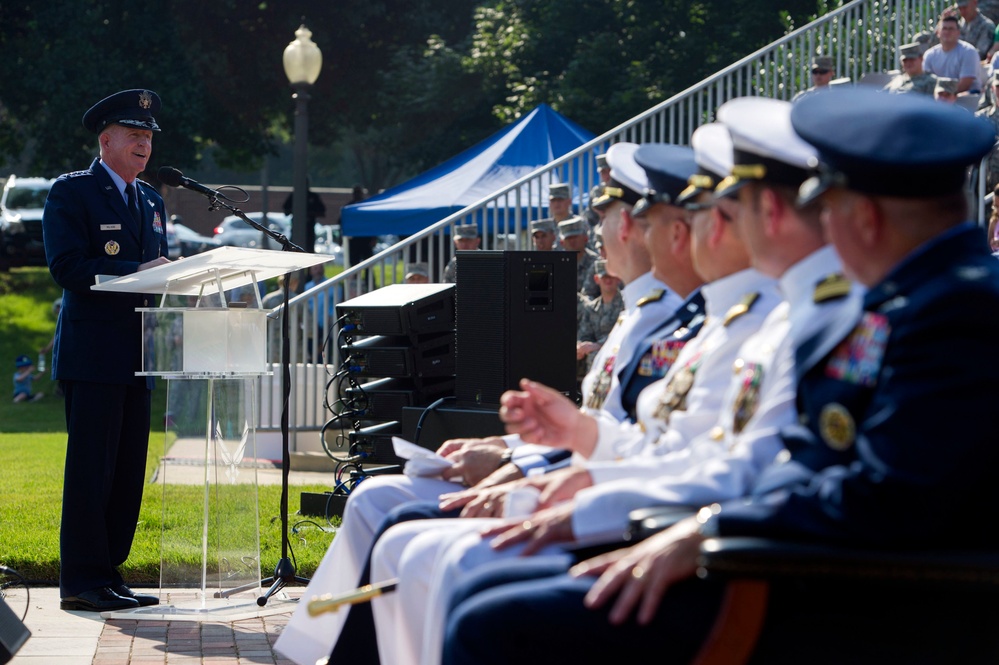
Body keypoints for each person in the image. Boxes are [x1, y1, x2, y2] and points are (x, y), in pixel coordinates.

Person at [442, 87, 999, 665]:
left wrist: (709, 530)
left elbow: (888, 497)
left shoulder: (958, 311)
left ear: (866, 216)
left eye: (827, 206)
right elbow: (812, 462)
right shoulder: (919, 299)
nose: (824, 226)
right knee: (489, 600)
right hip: (799, 564)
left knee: (496, 625)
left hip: (863, 601)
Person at [273, 141, 702, 665]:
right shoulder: (647, 316)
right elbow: (613, 432)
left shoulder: (681, 324)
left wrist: (523, 467)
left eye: (619, 216)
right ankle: (322, 650)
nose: (604, 231)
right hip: (590, 486)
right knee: (376, 502)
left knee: (428, 549)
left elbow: (665, 452)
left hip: (625, 510)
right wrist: (511, 447)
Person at [43, 89, 172, 612]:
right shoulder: (72, 193)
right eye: (134, 136)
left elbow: (160, 270)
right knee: (92, 469)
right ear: (106, 140)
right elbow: (66, 267)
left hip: (139, 353)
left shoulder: (151, 200)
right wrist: (129, 271)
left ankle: (109, 573)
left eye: (148, 138)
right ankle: (81, 580)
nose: (144, 145)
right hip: (93, 355)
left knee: (126, 471)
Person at [576, 259, 624, 381]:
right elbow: (585, 334)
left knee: (595, 355)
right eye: (604, 277)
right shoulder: (592, 308)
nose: (608, 280)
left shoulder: (627, 305)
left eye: (611, 277)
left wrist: (598, 345)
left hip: (618, 354)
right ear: (597, 279)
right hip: (594, 355)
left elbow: (624, 334)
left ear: (618, 279)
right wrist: (581, 346)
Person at [923, 14, 982, 94]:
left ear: (958, 32)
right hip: (937, 98)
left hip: (964, 99)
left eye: (951, 29)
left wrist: (945, 97)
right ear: (938, 33)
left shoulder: (969, 52)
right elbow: (926, 81)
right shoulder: (930, 55)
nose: (947, 32)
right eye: (944, 29)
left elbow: (965, 84)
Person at [560, 216, 601, 297]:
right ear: (562, 242)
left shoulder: (596, 263)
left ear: (585, 238)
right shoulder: (558, 264)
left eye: (575, 237)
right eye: (568, 238)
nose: (572, 241)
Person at [282, 177, 326, 253]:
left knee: (308, 251)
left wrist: (309, 213)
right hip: (296, 228)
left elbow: (322, 212)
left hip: (309, 229)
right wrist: (296, 211)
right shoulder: (294, 196)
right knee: (293, 248)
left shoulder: (313, 197)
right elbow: (286, 210)